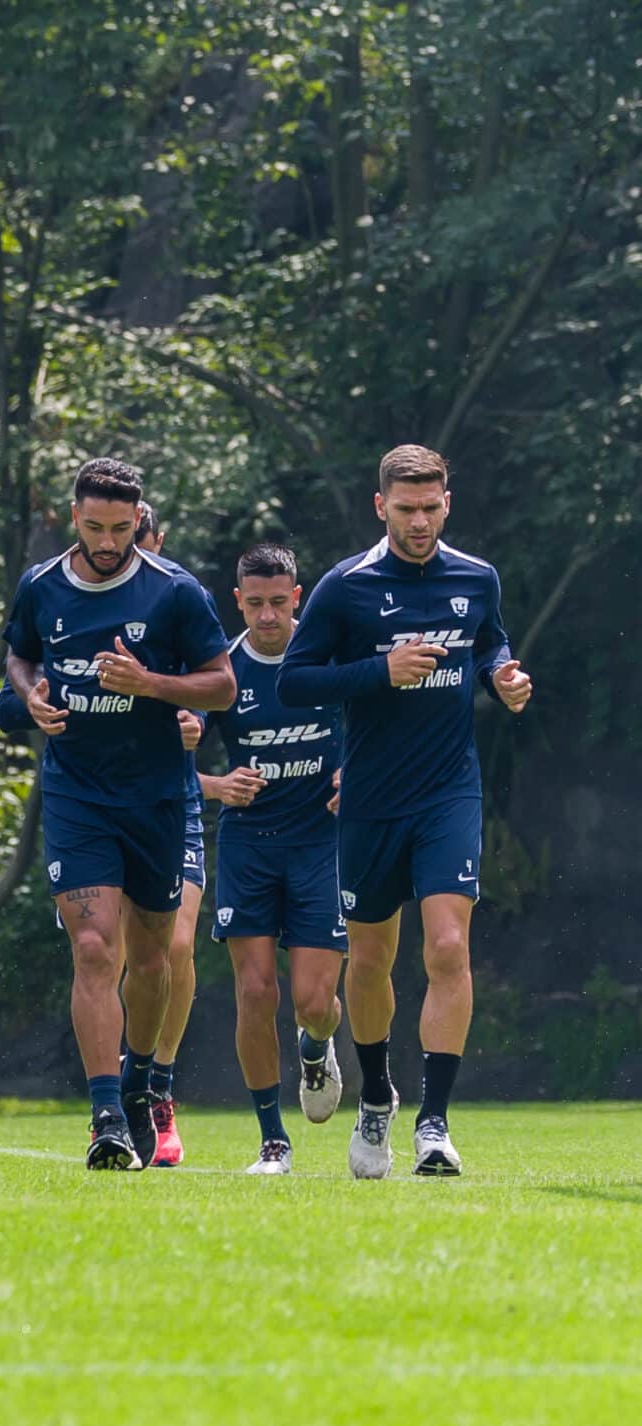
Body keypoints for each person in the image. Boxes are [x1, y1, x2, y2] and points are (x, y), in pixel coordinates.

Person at [279, 444, 531, 1177]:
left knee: (449, 947)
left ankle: (435, 1124)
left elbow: (490, 640)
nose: (419, 521)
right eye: (405, 508)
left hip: (449, 791)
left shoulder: (475, 577)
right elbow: (296, 680)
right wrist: (379, 671)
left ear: (447, 502)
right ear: (379, 505)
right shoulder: (345, 588)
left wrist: (503, 675)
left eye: (431, 506)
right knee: (370, 960)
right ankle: (378, 1095)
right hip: (368, 800)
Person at [2, 457, 233, 1170]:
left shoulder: (175, 592)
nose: (108, 540)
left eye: (122, 527)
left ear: (141, 519)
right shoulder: (40, 586)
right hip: (77, 795)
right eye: (96, 526)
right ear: (75, 517)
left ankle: (139, 1078)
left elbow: (222, 685)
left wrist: (150, 682)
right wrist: (32, 695)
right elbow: (18, 655)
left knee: (156, 956)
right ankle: (105, 1112)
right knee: (96, 946)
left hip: (158, 796)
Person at [199, 545, 346, 1175]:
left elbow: (381, 726)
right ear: (238, 600)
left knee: (314, 1000)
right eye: (254, 603)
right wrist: (216, 784)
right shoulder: (223, 673)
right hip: (249, 846)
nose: (267, 615)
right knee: (256, 991)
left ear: (299, 596)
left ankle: (316, 1048)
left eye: (278, 602)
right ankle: (272, 1140)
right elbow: (162, 757)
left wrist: (353, 774)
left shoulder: (328, 658)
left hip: (322, 844)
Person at [130, 500, 206, 1166]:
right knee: (115, 956)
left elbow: (222, 687)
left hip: (173, 802)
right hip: (101, 806)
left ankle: (159, 1085)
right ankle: (119, 1089)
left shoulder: (182, 598)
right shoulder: (76, 593)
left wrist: (193, 730)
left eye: (141, 539)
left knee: (176, 946)